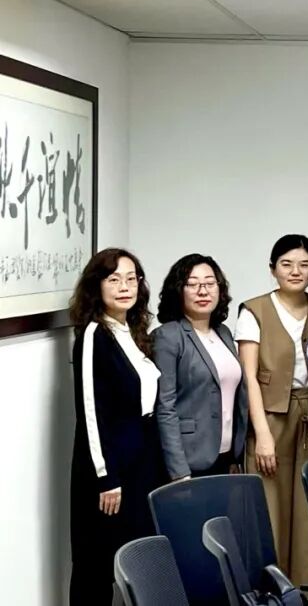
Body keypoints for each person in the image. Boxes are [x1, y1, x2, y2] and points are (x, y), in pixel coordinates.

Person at [235, 234, 308, 584]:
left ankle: (305, 592)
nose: (296, 271)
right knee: (271, 511)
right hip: (270, 418)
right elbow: (248, 377)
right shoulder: (254, 310)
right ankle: (272, 594)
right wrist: (261, 435)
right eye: (287, 264)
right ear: (273, 268)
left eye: (305, 264)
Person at [69, 248, 165, 605]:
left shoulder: (131, 331)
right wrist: (106, 477)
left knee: (138, 558)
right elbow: (90, 412)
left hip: (141, 460)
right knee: (96, 565)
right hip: (110, 470)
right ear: (97, 286)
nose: (125, 287)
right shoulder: (95, 335)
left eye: (131, 279)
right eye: (114, 280)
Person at [153, 254, 248, 482]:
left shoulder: (223, 332)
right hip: (188, 458)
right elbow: (165, 407)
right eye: (192, 284)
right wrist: (178, 470)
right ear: (178, 290)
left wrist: (235, 456)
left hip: (225, 454)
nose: (203, 291)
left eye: (209, 283)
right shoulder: (168, 336)